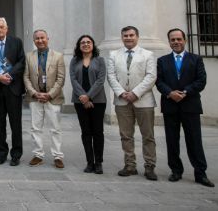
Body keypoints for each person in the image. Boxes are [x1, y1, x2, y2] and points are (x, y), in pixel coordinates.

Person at [156, 28, 214, 187]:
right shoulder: (162, 60)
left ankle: (200, 173)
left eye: (178, 39)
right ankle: (176, 170)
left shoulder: (196, 59)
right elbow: (159, 81)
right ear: (169, 42)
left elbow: (201, 80)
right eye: (172, 40)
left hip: (190, 105)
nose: (176, 42)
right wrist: (170, 93)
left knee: (195, 140)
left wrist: (186, 92)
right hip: (170, 105)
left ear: (184, 40)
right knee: (172, 140)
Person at [107, 26, 158, 181]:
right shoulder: (114, 54)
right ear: (122, 37)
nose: (128, 38)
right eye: (125, 36)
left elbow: (151, 76)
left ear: (137, 36)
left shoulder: (148, 54)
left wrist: (135, 93)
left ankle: (150, 166)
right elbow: (111, 75)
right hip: (122, 101)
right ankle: (130, 165)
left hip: (144, 101)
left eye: (131, 35)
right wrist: (122, 93)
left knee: (148, 135)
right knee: (126, 135)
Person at [0, 17, 25, 166]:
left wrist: (10, 75)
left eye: (2, 27)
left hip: (13, 89)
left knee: (16, 124)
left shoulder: (17, 42)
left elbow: (22, 62)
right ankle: (1, 153)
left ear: (7, 29)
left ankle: (16, 154)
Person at [24, 29, 66, 169]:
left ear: (48, 38)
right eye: (37, 38)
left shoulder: (58, 56)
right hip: (35, 98)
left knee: (55, 129)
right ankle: (38, 155)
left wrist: (49, 94)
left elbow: (60, 79)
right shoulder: (29, 56)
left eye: (42, 38)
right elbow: (26, 77)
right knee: (36, 128)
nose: (40, 40)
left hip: (52, 99)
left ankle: (58, 156)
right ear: (34, 41)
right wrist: (34, 93)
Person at [69, 35, 107, 174]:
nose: (85, 44)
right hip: (79, 102)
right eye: (82, 42)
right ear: (79, 46)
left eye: (88, 42)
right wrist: (83, 98)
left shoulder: (100, 60)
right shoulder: (74, 61)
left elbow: (100, 80)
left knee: (98, 132)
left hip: (98, 101)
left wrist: (89, 96)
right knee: (86, 132)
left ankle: (99, 162)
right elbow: (73, 80)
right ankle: (89, 162)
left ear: (93, 44)